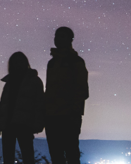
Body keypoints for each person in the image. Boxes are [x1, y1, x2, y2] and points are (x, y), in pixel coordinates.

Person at [45, 27, 89, 164]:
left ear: (70, 40)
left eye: (62, 36)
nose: (58, 39)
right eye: (57, 36)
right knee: (56, 154)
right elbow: (50, 89)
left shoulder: (76, 62)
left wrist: (73, 111)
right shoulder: (52, 63)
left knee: (71, 153)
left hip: (69, 116)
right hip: (52, 116)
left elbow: (82, 90)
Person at [0, 52, 45, 164]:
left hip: (24, 124)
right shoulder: (9, 82)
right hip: (8, 125)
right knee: (9, 157)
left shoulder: (34, 81)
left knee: (27, 156)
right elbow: (3, 105)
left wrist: (38, 124)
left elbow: (39, 104)